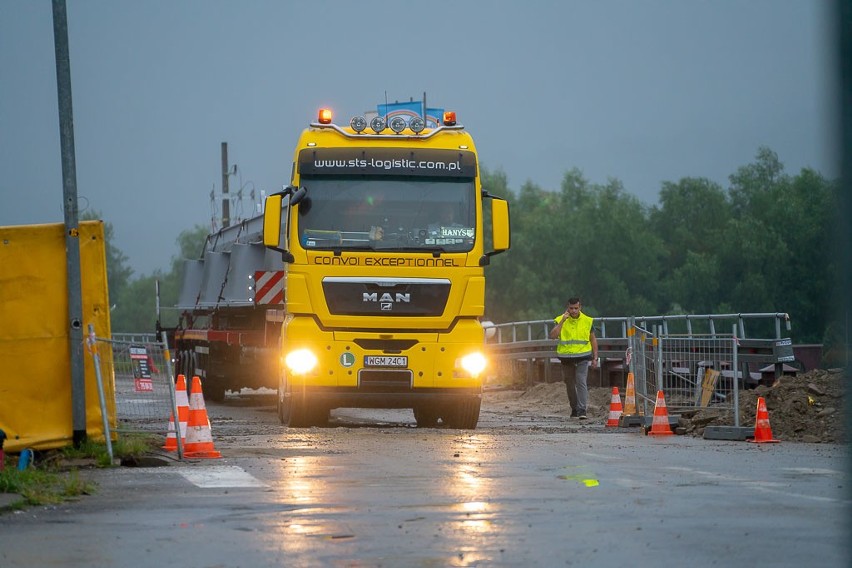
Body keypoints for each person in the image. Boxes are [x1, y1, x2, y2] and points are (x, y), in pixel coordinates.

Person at [549, 297, 598, 419]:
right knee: (569, 383)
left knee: (581, 381)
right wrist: (562, 322)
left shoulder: (587, 321)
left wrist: (595, 357)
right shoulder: (560, 319)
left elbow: (593, 339)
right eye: (571, 308)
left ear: (580, 307)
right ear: (568, 308)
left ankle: (582, 410)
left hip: (583, 356)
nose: (574, 311)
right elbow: (553, 336)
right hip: (566, 358)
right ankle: (574, 409)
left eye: (576, 308)